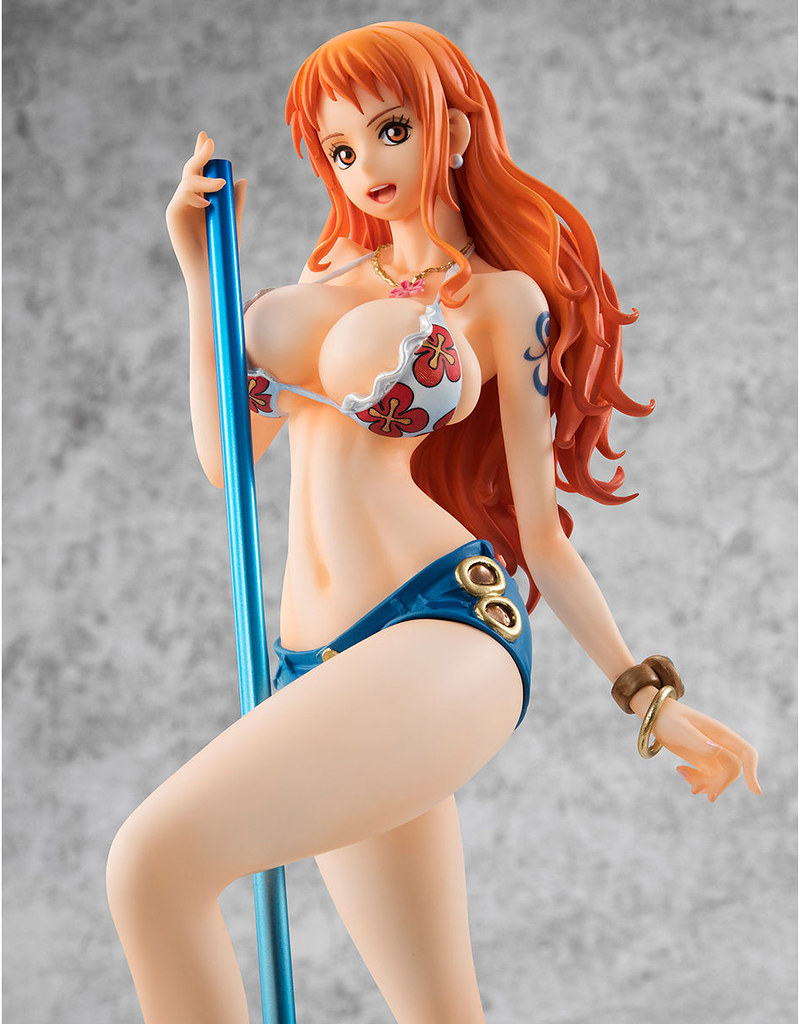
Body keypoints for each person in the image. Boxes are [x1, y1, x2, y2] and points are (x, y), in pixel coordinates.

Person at [106, 21, 760, 1024]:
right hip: (314, 665)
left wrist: (644, 694)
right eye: (339, 149)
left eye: (390, 129)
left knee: (152, 863)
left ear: (452, 128)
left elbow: (541, 536)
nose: (366, 166)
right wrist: (200, 276)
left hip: (442, 629)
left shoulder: (500, 301)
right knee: (440, 1012)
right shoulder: (325, 275)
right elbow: (227, 462)